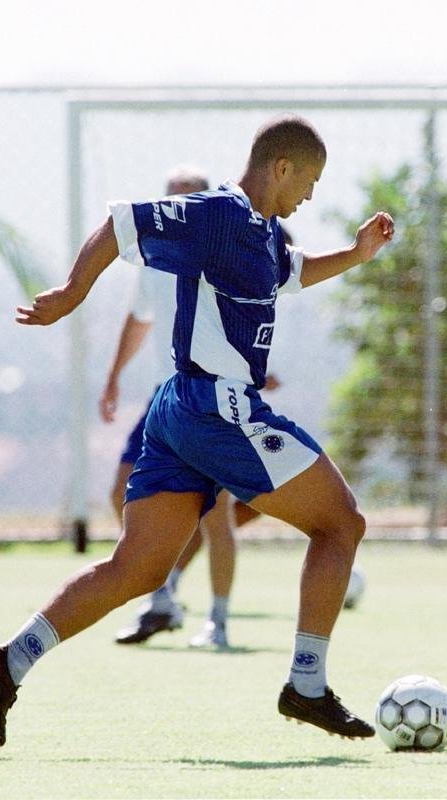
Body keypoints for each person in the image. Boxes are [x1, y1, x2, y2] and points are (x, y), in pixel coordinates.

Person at [0, 114, 395, 748]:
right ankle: (306, 686)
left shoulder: (264, 231)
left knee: (138, 570)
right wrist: (71, 292)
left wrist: (357, 256)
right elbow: (122, 224)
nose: (311, 195)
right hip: (215, 409)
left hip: (178, 411)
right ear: (281, 168)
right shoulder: (217, 213)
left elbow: (294, 270)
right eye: (309, 180)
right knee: (342, 524)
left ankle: (9, 662)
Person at [99, 166, 270, 650]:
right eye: (170, 196)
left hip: (210, 396)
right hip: (162, 397)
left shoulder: (226, 257)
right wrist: (113, 377)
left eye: (188, 197)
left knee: (216, 515)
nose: (177, 206)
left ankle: (217, 620)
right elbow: (138, 320)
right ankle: (162, 596)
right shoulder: (155, 259)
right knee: (122, 492)